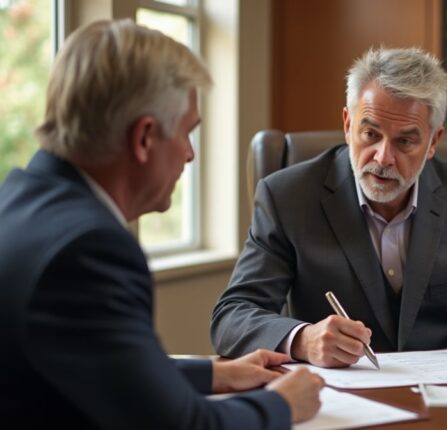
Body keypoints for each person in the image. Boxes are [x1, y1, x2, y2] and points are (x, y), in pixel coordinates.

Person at [0, 19, 323, 429]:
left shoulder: (19, 200)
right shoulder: (88, 249)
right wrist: (284, 405)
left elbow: (108, 368)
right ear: (145, 138)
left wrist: (215, 374)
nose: (190, 154)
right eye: (188, 132)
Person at [211, 47, 447, 369]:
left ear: (433, 142)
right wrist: (303, 339)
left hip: (445, 400)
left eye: (405, 141)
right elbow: (233, 314)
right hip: (333, 400)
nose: (383, 157)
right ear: (347, 124)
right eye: (370, 134)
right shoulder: (287, 197)